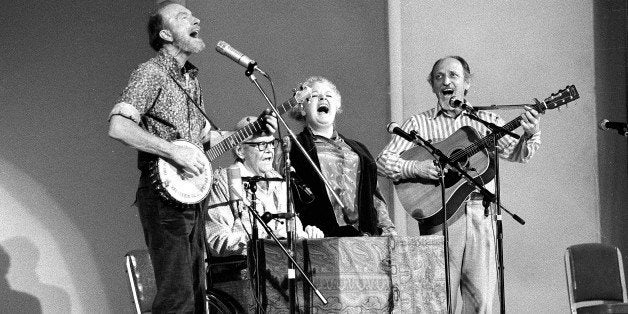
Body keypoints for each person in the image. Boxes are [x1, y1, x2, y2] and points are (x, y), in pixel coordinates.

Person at [107, 3, 276, 313]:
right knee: (177, 297)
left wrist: (253, 129)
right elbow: (119, 127)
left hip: (191, 196)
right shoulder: (150, 73)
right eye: (183, 16)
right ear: (165, 33)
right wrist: (171, 150)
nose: (196, 19)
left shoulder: (191, 80)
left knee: (198, 295)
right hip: (163, 198)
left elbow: (205, 138)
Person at [377, 56, 541, 313]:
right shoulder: (418, 124)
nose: (446, 81)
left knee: (481, 302)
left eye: (453, 75)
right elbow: (383, 161)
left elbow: (519, 154)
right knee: (440, 301)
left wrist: (532, 133)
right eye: (439, 76)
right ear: (432, 85)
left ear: (467, 84)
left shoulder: (486, 121)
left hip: (481, 214)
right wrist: (417, 167)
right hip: (438, 215)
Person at [289, 76, 396, 237]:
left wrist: (388, 230)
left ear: (337, 105)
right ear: (302, 108)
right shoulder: (292, 146)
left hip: (363, 239)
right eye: (315, 95)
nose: (323, 98)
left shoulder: (360, 150)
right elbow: (282, 194)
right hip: (320, 239)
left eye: (329, 95)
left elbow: (374, 197)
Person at [205, 116, 324, 259]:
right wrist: (265, 242)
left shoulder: (280, 182)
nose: (270, 151)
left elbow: (293, 229)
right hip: (243, 273)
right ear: (240, 150)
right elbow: (216, 240)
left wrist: (307, 235)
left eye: (271, 143)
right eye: (262, 144)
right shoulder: (225, 181)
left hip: (279, 270)